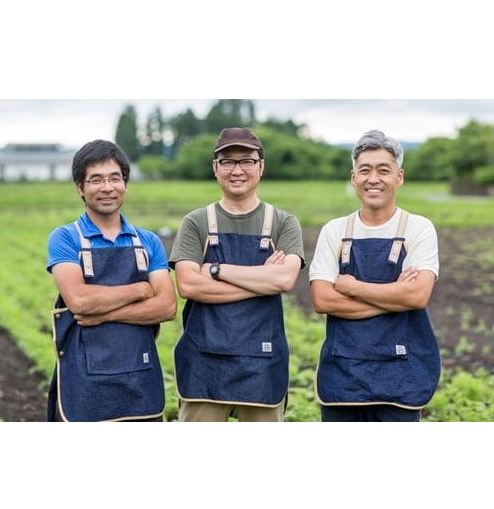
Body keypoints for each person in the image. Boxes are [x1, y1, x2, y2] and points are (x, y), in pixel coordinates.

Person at [170, 127, 304, 422]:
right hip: (202, 364)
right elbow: (189, 285)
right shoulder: (196, 222)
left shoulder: (283, 222)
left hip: (263, 365)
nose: (237, 170)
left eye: (247, 161)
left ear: (261, 166)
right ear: (215, 168)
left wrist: (217, 270)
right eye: (228, 161)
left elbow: (283, 279)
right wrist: (261, 282)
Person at [310, 129, 441, 422]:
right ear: (353, 176)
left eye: (384, 170)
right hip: (342, 376)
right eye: (364, 170)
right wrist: (395, 295)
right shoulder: (335, 231)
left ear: (399, 177)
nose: (373, 178)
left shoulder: (418, 228)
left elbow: (417, 296)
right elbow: (322, 300)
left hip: (403, 376)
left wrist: (352, 286)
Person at [46, 139, 176, 421]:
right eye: (96, 180)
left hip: (139, 379)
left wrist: (102, 314)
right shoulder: (66, 238)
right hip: (83, 384)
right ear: (80, 187)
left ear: (125, 184)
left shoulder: (148, 241)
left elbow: (166, 306)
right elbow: (79, 301)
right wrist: (140, 289)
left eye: (115, 178)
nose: (107, 188)